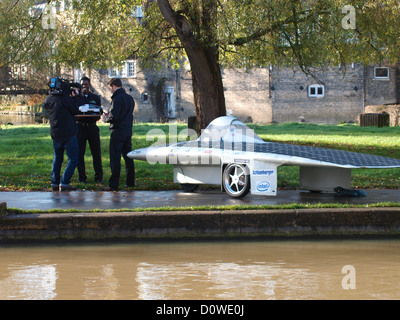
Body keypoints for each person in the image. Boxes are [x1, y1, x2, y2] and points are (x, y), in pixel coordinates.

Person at [43, 77, 80, 191]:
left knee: (57, 158)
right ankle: (64, 182)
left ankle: (54, 183)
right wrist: (74, 97)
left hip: (55, 132)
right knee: (73, 159)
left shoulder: (49, 99)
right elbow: (75, 110)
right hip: (68, 132)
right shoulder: (65, 99)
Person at [101, 78, 135, 191]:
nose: (110, 91)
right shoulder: (130, 98)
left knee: (115, 158)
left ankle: (113, 184)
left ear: (114, 86)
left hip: (117, 131)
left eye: (110, 88)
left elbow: (114, 116)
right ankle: (130, 182)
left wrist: (104, 118)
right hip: (127, 131)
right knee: (128, 157)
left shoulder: (117, 98)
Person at [74, 76, 103, 184]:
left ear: (89, 85)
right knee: (79, 154)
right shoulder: (76, 98)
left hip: (92, 127)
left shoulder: (95, 98)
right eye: (82, 85)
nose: (84, 87)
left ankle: (98, 177)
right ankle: (82, 178)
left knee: (96, 153)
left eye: (86, 85)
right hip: (80, 128)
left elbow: (98, 113)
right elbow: (74, 113)